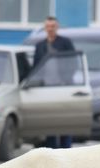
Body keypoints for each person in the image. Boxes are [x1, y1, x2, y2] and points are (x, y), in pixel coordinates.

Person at [33, 16, 75, 149]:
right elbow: (36, 67)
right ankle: (51, 150)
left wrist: (66, 80)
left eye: (53, 26)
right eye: (48, 27)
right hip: (46, 89)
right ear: (45, 28)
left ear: (57, 27)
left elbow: (73, 63)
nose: (50, 29)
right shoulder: (40, 46)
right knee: (50, 122)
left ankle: (66, 149)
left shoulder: (65, 43)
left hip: (63, 88)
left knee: (65, 121)